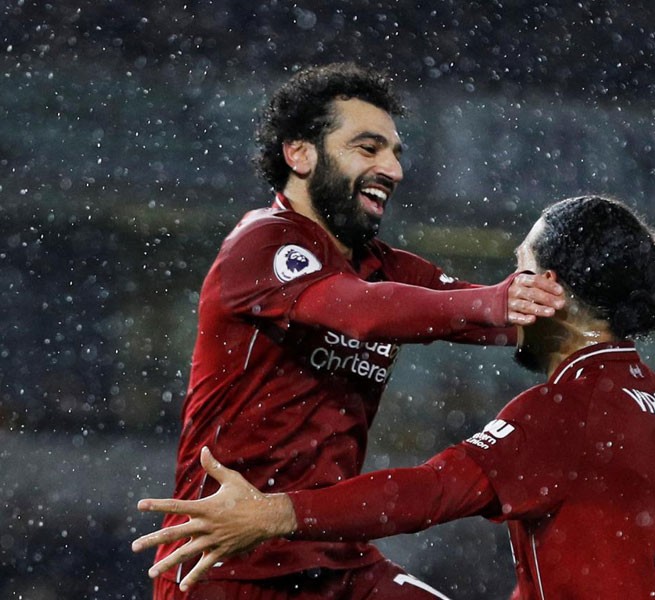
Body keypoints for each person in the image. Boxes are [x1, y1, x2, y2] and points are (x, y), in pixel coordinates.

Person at [134, 195, 655, 599]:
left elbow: (424, 493)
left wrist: (276, 513)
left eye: (519, 270)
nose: (507, 288)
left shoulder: (559, 414)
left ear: (551, 288)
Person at [147, 61, 573, 600]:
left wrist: (610, 261)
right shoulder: (261, 244)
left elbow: (512, 318)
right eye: (368, 149)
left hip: (333, 558)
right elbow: (360, 311)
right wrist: (495, 300)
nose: (392, 170)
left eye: (395, 153)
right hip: (227, 561)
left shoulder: (385, 266)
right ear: (299, 154)